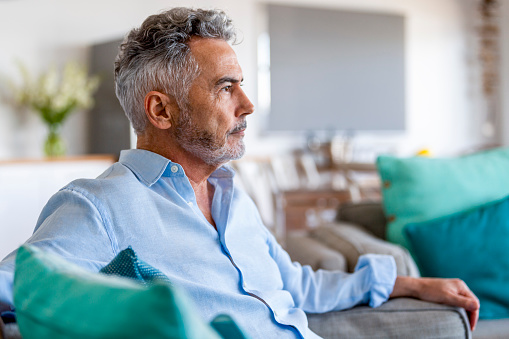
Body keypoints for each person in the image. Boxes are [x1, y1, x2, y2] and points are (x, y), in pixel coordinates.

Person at [0, 7, 479, 338]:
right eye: (226, 88)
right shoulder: (99, 206)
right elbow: (19, 286)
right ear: (161, 111)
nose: (247, 105)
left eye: (242, 85)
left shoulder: (231, 194)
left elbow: (296, 285)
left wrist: (408, 283)